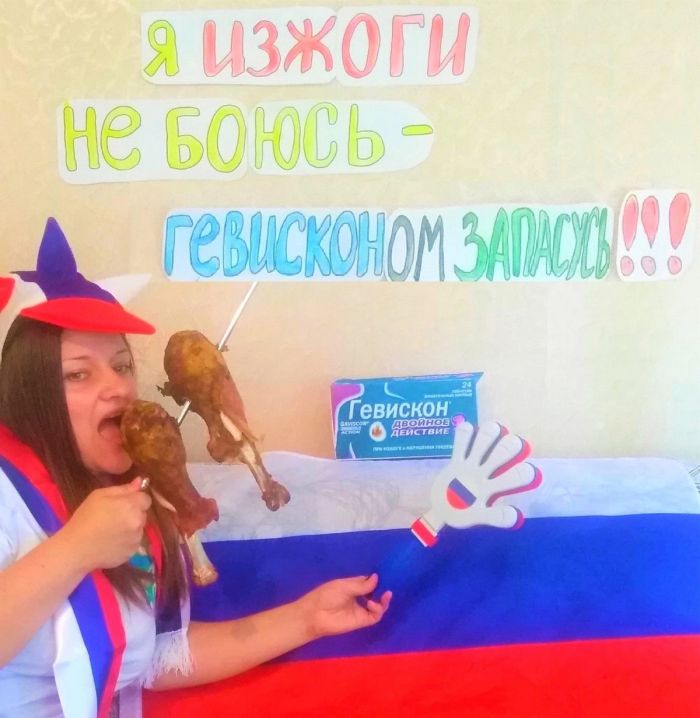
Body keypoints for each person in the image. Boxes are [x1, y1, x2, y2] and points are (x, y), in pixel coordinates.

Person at [0, 218, 391, 718]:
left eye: (121, 366)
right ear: (29, 394)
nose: (117, 387)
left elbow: (159, 658)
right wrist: (75, 549)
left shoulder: (135, 504)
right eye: (78, 374)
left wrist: (305, 619)